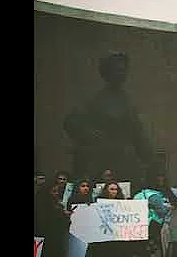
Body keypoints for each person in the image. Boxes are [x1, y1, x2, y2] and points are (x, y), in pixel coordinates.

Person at [64, 51, 156, 183]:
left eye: (123, 70)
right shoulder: (93, 99)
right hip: (98, 160)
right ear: (106, 73)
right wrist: (91, 135)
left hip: (123, 161)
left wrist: (151, 161)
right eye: (117, 70)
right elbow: (71, 122)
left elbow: (138, 133)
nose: (121, 74)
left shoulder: (128, 102)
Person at [35, 182, 73, 257]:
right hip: (46, 243)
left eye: (58, 191)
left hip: (57, 241)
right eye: (54, 191)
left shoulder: (58, 205)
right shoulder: (41, 207)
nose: (57, 194)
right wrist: (62, 214)